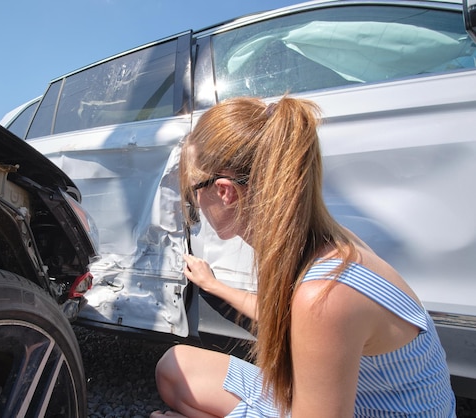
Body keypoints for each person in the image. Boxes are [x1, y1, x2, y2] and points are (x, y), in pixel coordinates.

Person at [150, 96, 456, 417]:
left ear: (225, 192)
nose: (194, 202)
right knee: (175, 367)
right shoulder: (322, 243)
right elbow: (285, 315)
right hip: (353, 402)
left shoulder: (325, 294)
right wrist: (213, 285)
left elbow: (310, 315)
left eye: (193, 190)